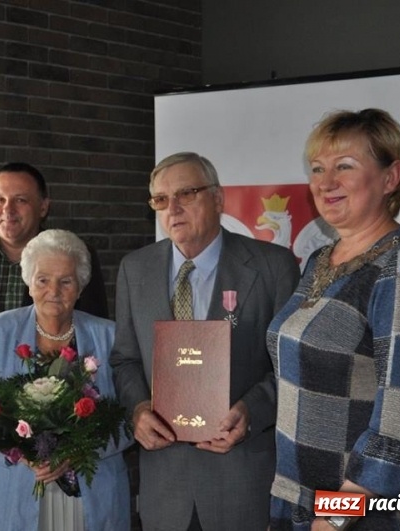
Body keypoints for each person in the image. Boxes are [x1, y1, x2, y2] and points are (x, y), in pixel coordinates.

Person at [267, 109, 400, 531]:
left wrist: (332, 520)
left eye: (344, 167)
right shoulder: (319, 261)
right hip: (304, 498)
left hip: (367, 513)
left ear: (391, 178)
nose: (325, 182)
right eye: (317, 168)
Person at [110, 152, 300, 530]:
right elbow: (125, 360)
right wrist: (137, 410)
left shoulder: (273, 267)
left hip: (241, 479)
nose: (173, 208)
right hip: (165, 486)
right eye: (161, 200)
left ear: (217, 199)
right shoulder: (135, 269)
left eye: (186, 193)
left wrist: (252, 411)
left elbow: (292, 368)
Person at [0, 162, 109, 530]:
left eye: (20, 200)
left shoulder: (74, 256)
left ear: (44, 206)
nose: (7, 210)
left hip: (62, 431)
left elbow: (97, 344)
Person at [0, 229, 131, 531]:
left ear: (80, 286)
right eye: (43, 280)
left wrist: (78, 452)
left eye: (66, 281)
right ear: (29, 282)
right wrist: (20, 453)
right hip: (18, 487)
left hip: (92, 486)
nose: (54, 290)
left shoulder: (109, 335)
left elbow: (131, 415)